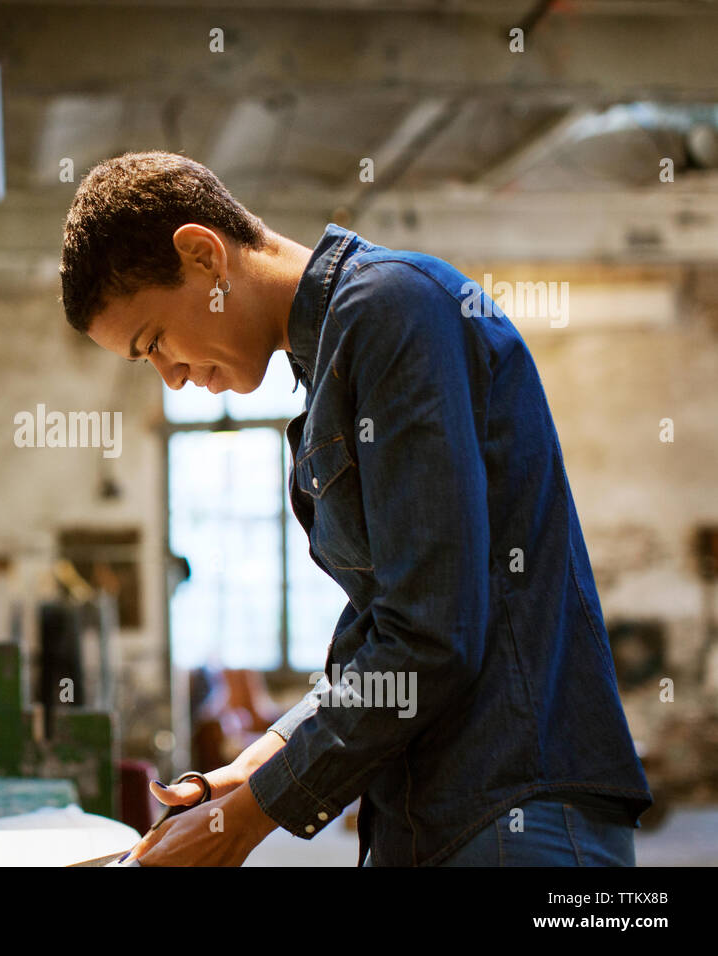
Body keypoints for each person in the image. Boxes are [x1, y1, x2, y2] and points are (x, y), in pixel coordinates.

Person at [58, 151, 652, 866]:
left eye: (155, 342)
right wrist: (258, 763)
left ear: (201, 254)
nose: (173, 377)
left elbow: (430, 635)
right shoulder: (334, 362)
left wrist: (245, 821)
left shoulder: (392, 309)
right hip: (437, 811)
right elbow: (386, 628)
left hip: (508, 806)